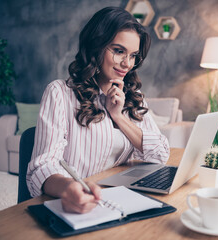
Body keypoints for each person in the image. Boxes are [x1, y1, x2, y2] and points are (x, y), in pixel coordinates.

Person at [26, 7, 170, 214]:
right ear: (96, 46)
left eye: (133, 55)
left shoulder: (132, 95)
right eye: (119, 51)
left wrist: (119, 117)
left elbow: (160, 154)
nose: (126, 64)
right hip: (78, 205)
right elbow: (42, 166)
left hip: (121, 200)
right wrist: (69, 188)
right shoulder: (59, 93)